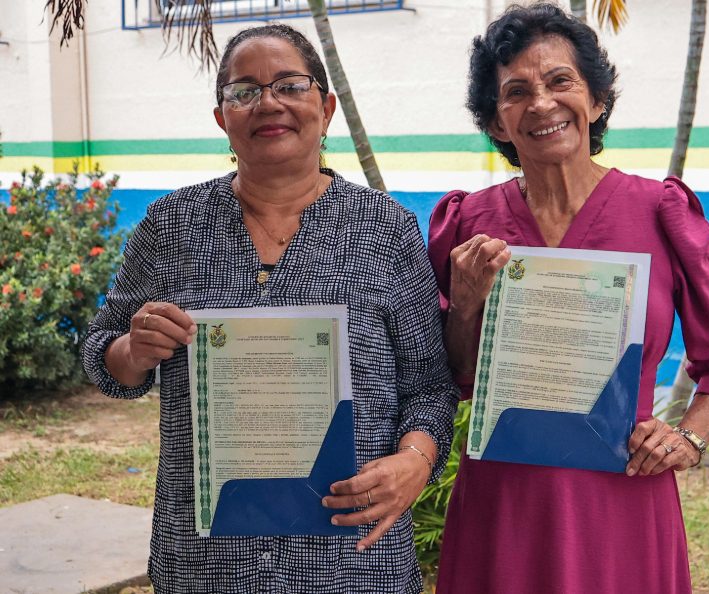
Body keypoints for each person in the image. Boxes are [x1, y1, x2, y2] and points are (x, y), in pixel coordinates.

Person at [82, 23, 458, 593]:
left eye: (290, 85)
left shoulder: (386, 230)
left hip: (353, 559)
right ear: (222, 118)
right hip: (208, 560)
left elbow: (429, 385)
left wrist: (414, 461)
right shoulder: (170, 227)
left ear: (326, 108)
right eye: (244, 91)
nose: (268, 103)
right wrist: (133, 350)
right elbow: (102, 359)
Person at [428, 4, 709, 593]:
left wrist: (689, 437)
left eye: (560, 81)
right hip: (504, 501)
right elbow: (453, 375)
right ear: (496, 123)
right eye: (516, 92)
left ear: (596, 100)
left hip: (623, 494)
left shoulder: (658, 211)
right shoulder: (468, 224)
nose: (542, 103)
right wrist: (466, 304)